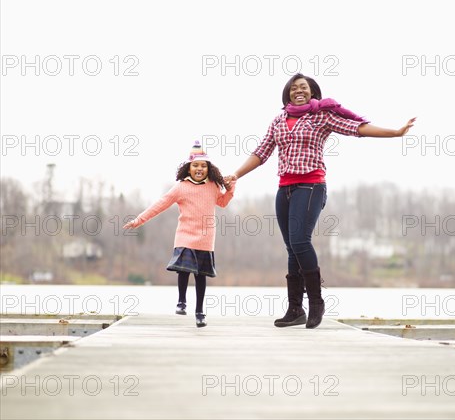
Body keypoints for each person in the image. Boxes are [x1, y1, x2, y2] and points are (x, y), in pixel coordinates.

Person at [225, 73, 416, 329]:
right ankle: (295, 309)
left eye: (303, 87)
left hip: (311, 185)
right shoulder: (279, 120)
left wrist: (395, 132)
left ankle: (316, 302)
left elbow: (356, 128)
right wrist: (235, 174)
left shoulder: (321, 116)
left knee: (300, 241)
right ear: (287, 93)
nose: (298, 91)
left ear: (313, 91)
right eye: (294, 88)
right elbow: (262, 152)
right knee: (291, 248)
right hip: (285, 189)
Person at [124, 141, 235, 327]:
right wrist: (138, 220)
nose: (199, 169)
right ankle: (181, 301)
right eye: (196, 165)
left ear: (208, 169)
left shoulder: (213, 186)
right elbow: (159, 205)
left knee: (201, 276)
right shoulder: (180, 187)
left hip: (206, 238)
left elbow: (223, 202)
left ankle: (200, 312)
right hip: (185, 235)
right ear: (189, 168)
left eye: (203, 166)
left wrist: (231, 188)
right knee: (183, 269)